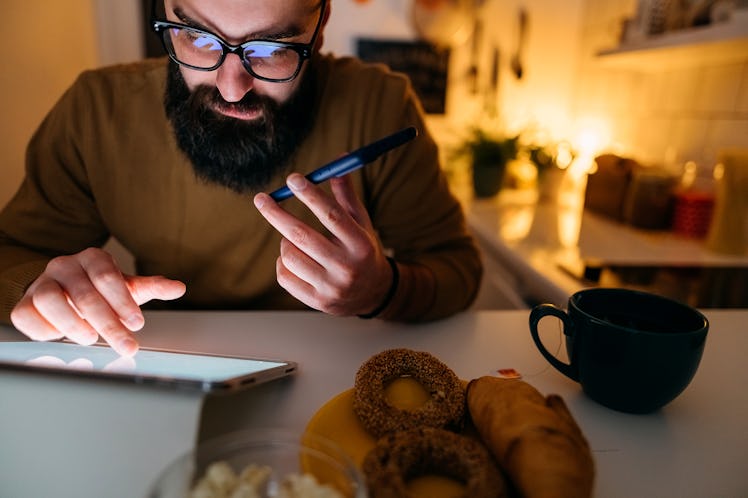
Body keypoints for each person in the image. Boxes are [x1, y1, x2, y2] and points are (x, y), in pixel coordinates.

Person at [0, 0, 482, 357]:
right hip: (166, 359)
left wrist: (385, 290)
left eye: (271, 48)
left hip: (336, 368)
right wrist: (37, 290)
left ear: (320, 27)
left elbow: (457, 268)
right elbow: (10, 257)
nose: (231, 88)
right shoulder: (95, 111)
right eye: (200, 38)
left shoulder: (380, 105)